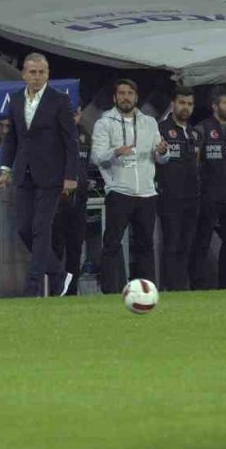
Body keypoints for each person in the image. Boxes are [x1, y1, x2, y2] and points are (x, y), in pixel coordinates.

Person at [0, 52, 77, 297]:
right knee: (24, 229)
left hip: (52, 176)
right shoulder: (16, 99)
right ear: (24, 74)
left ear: (48, 74)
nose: (37, 77)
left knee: (41, 229)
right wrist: (6, 170)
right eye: (33, 72)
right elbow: (13, 138)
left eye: (42, 72)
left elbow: (71, 142)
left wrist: (70, 176)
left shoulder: (59, 100)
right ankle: (59, 274)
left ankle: (33, 288)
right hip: (24, 175)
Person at [92, 79, 168, 293]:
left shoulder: (150, 122)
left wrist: (163, 151)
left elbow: (161, 158)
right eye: (122, 93)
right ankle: (110, 291)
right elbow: (97, 157)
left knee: (145, 245)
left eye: (130, 93)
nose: (126, 97)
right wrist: (116, 152)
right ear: (115, 97)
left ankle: (146, 292)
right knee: (112, 244)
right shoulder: (104, 123)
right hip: (119, 191)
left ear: (136, 97)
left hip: (146, 193)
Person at [191, 87, 226, 290]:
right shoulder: (202, 129)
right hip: (209, 196)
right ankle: (198, 286)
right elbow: (193, 162)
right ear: (214, 106)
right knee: (202, 243)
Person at [156, 86, 200, 291]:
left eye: (190, 104)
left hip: (193, 196)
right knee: (172, 244)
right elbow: (156, 159)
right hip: (170, 196)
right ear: (173, 104)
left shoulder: (194, 132)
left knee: (186, 245)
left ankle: (182, 288)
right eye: (182, 103)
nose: (186, 108)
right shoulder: (160, 128)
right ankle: (171, 288)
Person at [52, 106, 91, 294]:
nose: (73, 116)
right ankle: (54, 290)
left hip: (79, 200)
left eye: (76, 112)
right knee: (56, 247)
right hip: (57, 200)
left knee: (75, 248)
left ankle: (72, 291)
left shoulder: (84, 134)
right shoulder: (52, 134)